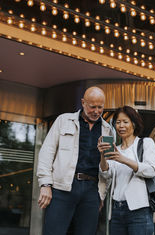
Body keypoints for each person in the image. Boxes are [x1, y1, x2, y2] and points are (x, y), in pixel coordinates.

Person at [36, 86, 113, 235]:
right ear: (83, 103)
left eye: (100, 107)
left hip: (92, 190)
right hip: (63, 188)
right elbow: (47, 152)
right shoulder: (64, 120)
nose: (96, 111)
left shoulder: (107, 129)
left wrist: (101, 195)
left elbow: (107, 168)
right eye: (92, 107)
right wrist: (45, 184)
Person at [98, 106, 155, 235]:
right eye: (118, 122)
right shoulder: (116, 148)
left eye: (125, 122)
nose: (121, 126)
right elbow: (106, 173)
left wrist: (123, 159)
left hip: (139, 209)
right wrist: (103, 155)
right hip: (116, 209)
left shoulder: (145, 143)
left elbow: (151, 170)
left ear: (134, 124)